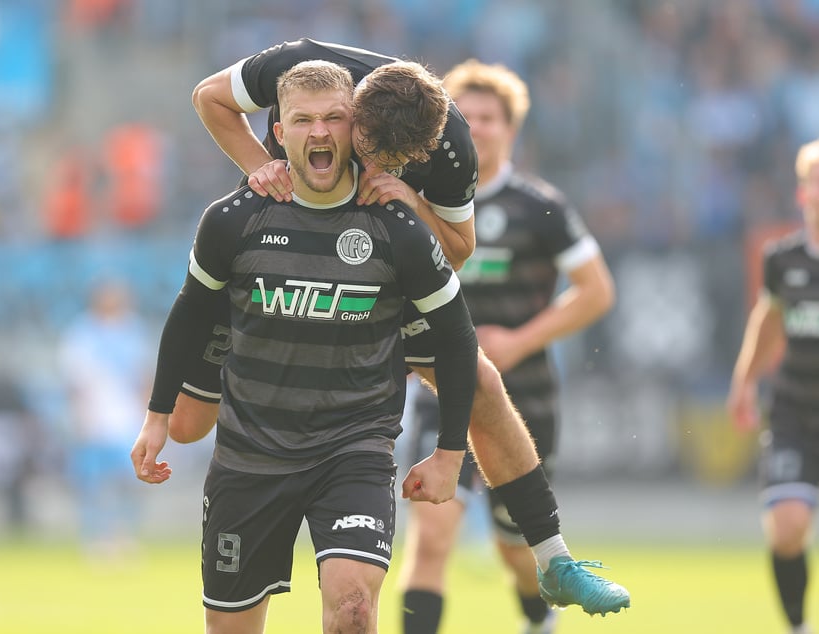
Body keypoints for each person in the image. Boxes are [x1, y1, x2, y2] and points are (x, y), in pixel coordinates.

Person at [168, 37, 631, 618]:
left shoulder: (453, 148)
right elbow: (209, 96)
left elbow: (459, 248)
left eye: (396, 163)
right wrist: (262, 170)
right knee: (187, 425)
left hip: (378, 269)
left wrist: (413, 201)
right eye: (368, 152)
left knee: (481, 384)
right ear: (351, 112)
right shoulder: (299, 66)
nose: (375, 170)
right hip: (279, 256)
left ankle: (554, 557)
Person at [134, 60, 479, 633]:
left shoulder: (398, 223)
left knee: (353, 608)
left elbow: (456, 334)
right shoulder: (233, 219)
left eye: (334, 118)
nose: (320, 131)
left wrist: (449, 454)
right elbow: (191, 314)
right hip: (250, 457)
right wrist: (156, 417)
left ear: (355, 129)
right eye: (303, 119)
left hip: (354, 451)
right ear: (278, 131)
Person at [397, 59, 617, 634]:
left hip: (522, 395)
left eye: (488, 117)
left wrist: (519, 341)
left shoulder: (538, 205)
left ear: (510, 128)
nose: (477, 126)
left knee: (518, 553)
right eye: (463, 116)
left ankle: (538, 619)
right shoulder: (418, 200)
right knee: (431, 537)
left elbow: (596, 292)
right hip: (440, 388)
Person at [727, 138, 819, 634]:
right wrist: (744, 382)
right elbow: (768, 320)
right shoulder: (782, 258)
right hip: (794, 412)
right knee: (787, 528)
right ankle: (798, 626)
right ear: (803, 192)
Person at [59, 278, 152, 559]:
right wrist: (80, 416)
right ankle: (96, 539)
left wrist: (148, 415)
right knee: (94, 483)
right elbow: (74, 381)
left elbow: (145, 377)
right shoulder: (82, 333)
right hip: (96, 421)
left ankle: (124, 537)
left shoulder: (132, 330)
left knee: (129, 482)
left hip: (127, 420)